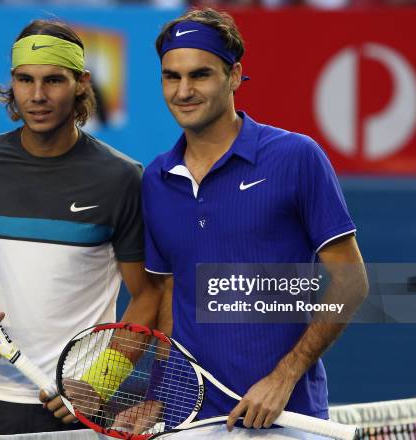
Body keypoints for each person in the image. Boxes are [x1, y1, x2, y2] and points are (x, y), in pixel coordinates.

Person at [137, 7, 368, 436]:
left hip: (288, 417)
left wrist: (284, 377)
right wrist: (156, 394)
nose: (183, 91)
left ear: (234, 75)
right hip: (191, 421)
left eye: (200, 75)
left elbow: (351, 281)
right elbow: (170, 293)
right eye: (172, 76)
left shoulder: (297, 156)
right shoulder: (155, 178)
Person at [0, 19, 161, 436]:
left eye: (53, 80)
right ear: (13, 83)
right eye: (25, 80)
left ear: (81, 83)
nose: (37, 96)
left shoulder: (121, 178)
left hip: (80, 407)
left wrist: (96, 386)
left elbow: (148, 295)